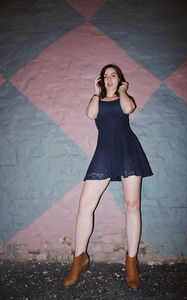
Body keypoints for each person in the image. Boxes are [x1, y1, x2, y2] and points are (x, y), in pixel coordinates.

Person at [63, 64, 153, 289]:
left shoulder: (125, 96)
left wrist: (123, 90)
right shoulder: (97, 100)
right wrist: (96, 92)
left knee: (132, 206)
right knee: (85, 205)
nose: (109, 78)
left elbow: (128, 108)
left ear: (120, 79)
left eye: (114, 75)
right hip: (104, 153)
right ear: (101, 80)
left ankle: (131, 261)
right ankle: (79, 258)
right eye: (106, 76)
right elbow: (91, 114)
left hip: (128, 151)